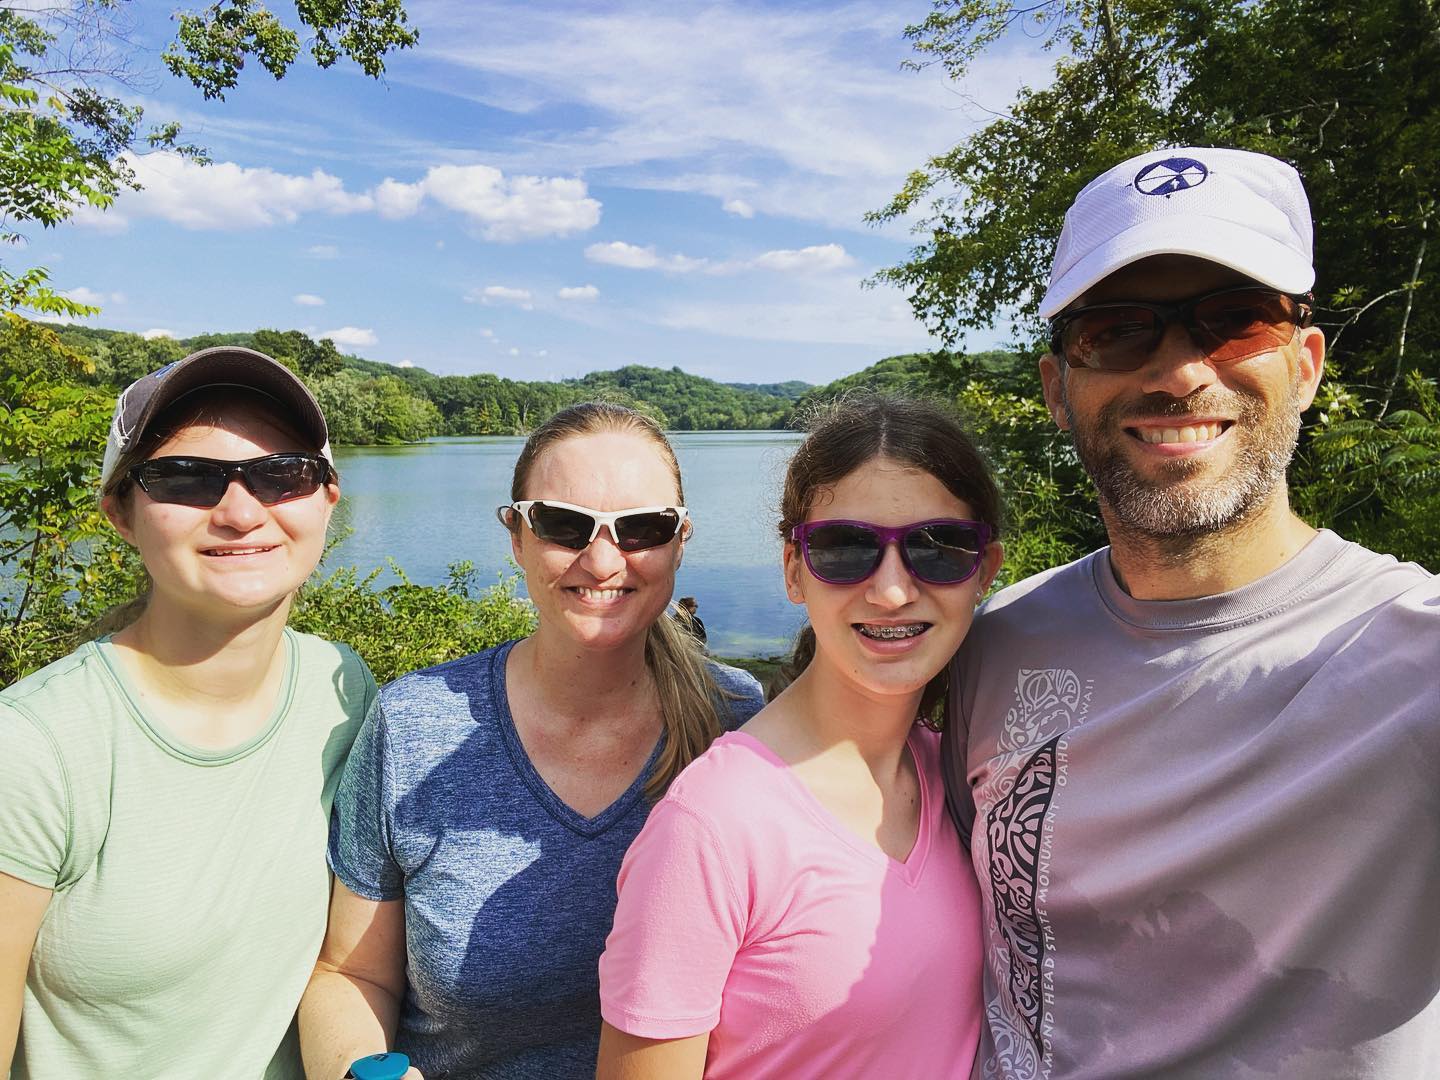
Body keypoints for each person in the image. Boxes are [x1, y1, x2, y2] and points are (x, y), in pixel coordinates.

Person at [945, 146, 1440, 1079]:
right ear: (1059, 389)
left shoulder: (1412, 653)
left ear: (1305, 365)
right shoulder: (997, 641)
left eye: (1234, 321)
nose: (1178, 372)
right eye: (1117, 331)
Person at [299, 402, 766, 1079]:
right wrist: (361, 1070)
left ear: (680, 542)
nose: (603, 559)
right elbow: (351, 972)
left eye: (642, 528)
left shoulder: (738, 722)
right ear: (516, 536)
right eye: (564, 524)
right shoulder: (416, 727)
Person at [597, 395, 1004, 1079]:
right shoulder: (715, 827)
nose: (894, 590)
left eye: (938, 549)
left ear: (984, 571)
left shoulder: (962, 775)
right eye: (847, 549)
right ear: (794, 570)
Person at [0, 347, 376, 1078]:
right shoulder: (34, 747)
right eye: (185, 478)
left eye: (283, 474)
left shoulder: (342, 686)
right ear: (120, 512)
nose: (241, 512)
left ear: (327, 499)